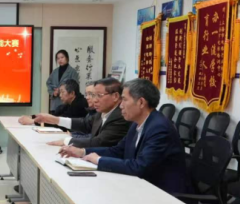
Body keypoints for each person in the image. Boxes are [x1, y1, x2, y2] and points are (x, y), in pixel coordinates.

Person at [59, 78, 188, 194]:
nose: (120, 106)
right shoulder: (137, 123)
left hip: (165, 194)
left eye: (124, 100)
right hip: (141, 186)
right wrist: (82, 152)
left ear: (141, 102)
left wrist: (99, 160)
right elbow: (118, 150)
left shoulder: (159, 128)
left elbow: (140, 167)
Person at [37, 77, 130, 148]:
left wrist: (68, 141)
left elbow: (99, 142)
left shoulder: (121, 116)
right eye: (94, 95)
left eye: (99, 95)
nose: (95, 100)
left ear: (115, 96)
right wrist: (56, 120)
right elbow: (84, 123)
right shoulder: (102, 112)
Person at [17, 79, 89, 128]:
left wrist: (33, 121)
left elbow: (60, 123)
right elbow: (54, 116)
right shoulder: (68, 104)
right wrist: (32, 117)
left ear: (72, 93)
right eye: (60, 92)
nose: (60, 95)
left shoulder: (79, 105)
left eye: (62, 92)